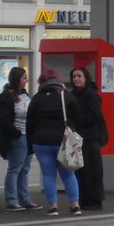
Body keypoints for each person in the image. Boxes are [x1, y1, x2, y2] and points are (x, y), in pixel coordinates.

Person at [25, 70, 84, 216]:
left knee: (48, 175)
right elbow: (78, 118)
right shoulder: (66, 96)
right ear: (57, 80)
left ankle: (53, 206)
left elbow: (29, 124)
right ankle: (75, 205)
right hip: (62, 141)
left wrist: (30, 146)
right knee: (68, 174)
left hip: (41, 142)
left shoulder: (37, 98)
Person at [0, 67, 40, 211]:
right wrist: (17, 133)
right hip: (18, 137)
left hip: (28, 136)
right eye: (24, 78)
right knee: (15, 169)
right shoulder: (6, 97)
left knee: (24, 169)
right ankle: (11, 200)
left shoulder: (24, 95)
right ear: (17, 79)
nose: (27, 80)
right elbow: (3, 121)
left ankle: (25, 199)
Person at [70, 66, 107, 210]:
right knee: (80, 169)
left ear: (85, 78)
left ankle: (95, 199)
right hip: (77, 136)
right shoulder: (72, 95)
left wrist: (78, 120)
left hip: (90, 137)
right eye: (74, 77)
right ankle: (83, 198)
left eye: (79, 76)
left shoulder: (91, 94)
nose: (76, 79)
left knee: (93, 169)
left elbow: (94, 115)